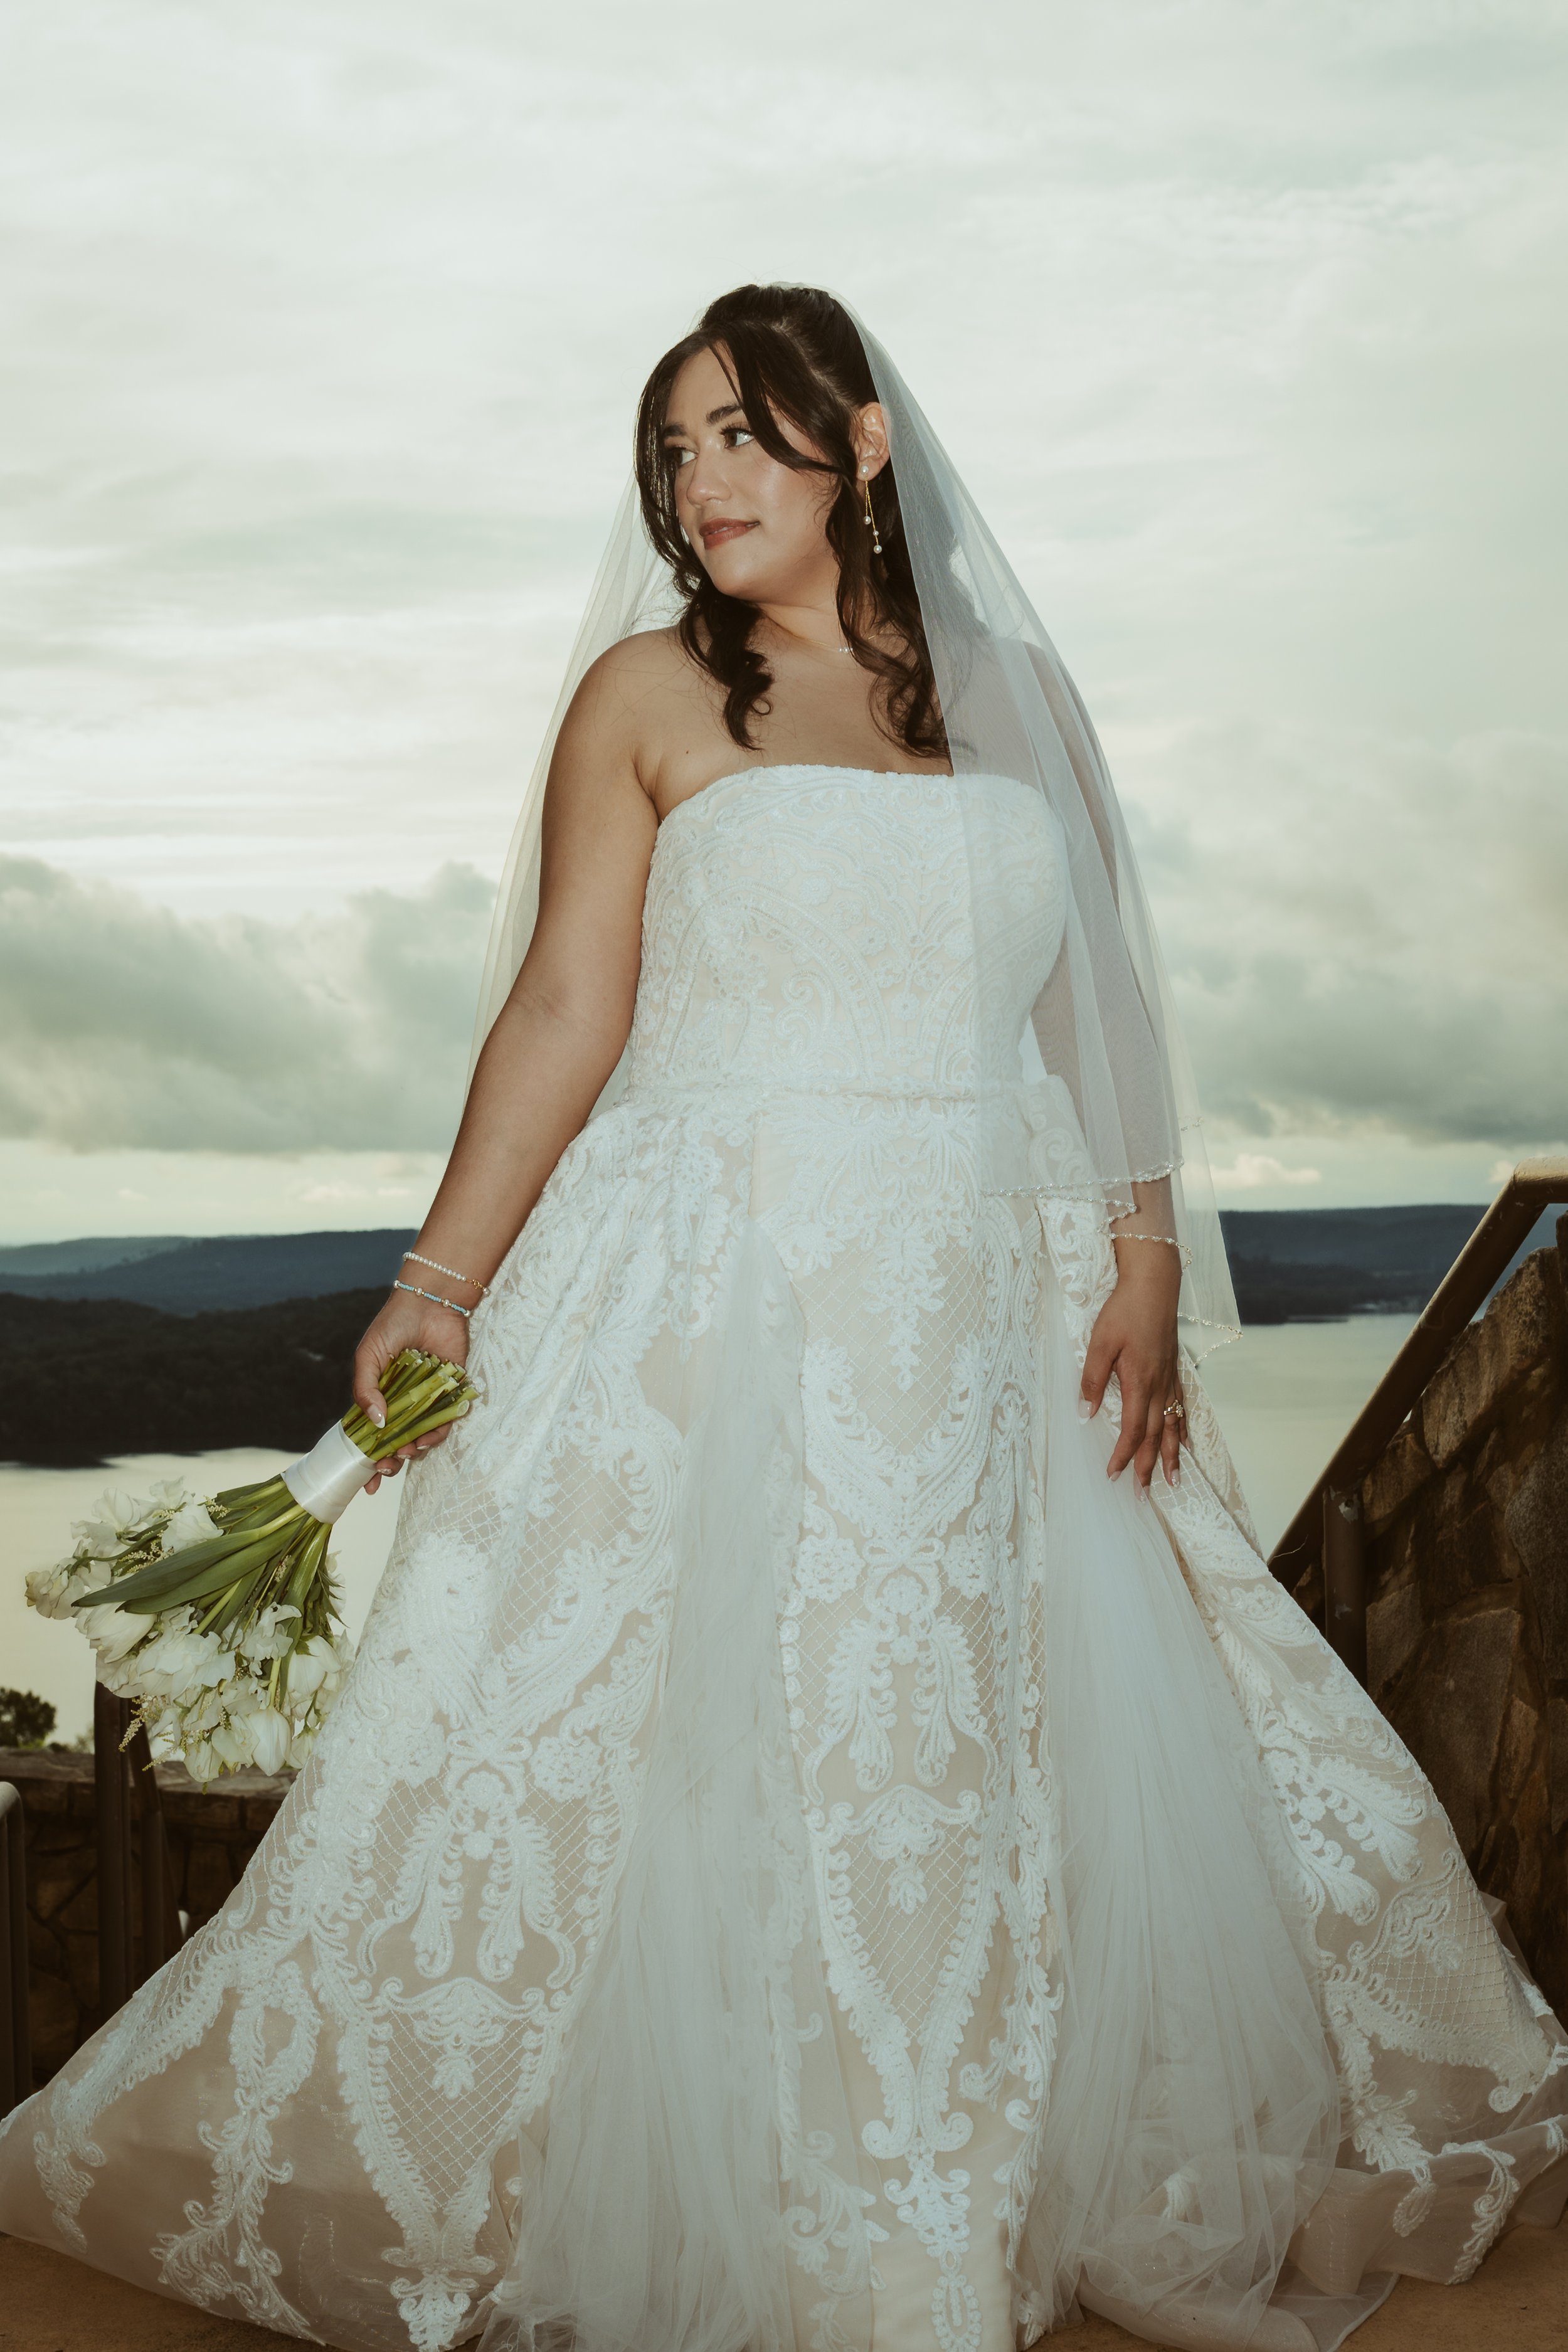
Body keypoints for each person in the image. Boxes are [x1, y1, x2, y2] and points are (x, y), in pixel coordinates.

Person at [2, 283, 1564, 2352]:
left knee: (967, 1737)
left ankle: (943, 2159)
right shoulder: (647, 697)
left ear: (866, 444)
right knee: (688, 1736)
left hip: (981, 1297)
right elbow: (568, 1005)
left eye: (743, 432)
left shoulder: (1014, 693)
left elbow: (1093, 1003)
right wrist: (436, 1286)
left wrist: (1149, 1254)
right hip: (708, 1285)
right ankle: (729, 2190)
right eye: (673, 448)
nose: (701, 479)